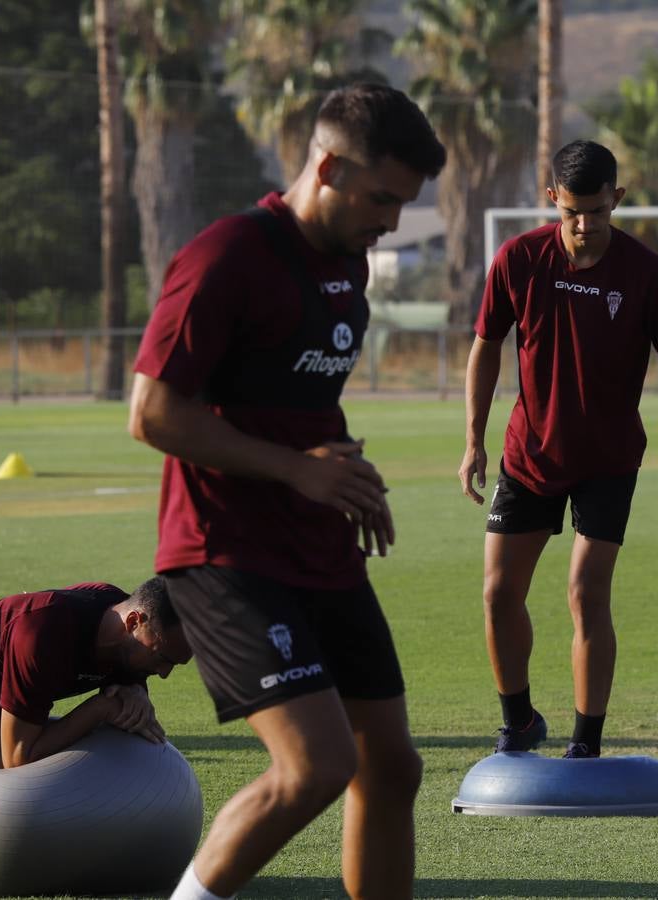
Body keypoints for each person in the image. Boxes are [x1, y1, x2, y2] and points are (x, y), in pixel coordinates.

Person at [128, 84, 445, 900]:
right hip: (223, 549)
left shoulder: (347, 264)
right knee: (317, 766)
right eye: (382, 198)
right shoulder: (228, 255)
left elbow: (293, 402)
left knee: (392, 765)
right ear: (328, 165)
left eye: (404, 205)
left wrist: (344, 469)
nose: (392, 223)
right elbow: (153, 412)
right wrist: (300, 469)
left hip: (318, 546)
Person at [458, 140, 658, 760]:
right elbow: (486, 345)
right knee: (496, 594)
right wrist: (473, 439)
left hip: (609, 461)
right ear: (553, 202)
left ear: (616, 200)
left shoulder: (647, 273)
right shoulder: (519, 259)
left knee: (585, 592)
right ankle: (518, 720)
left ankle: (586, 744)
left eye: (597, 211)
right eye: (572, 212)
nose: (584, 225)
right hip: (529, 456)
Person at [0, 578, 190, 782]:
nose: (164, 674)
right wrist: (100, 709)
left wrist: (135, 691)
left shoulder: (123, 631)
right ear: (132, 622)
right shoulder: (42, 634)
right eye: (163, 658)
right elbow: (18, 758)